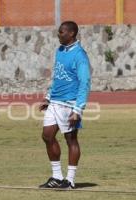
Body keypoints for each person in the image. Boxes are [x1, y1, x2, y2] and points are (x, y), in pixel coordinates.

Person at [38, 21, 91, 189]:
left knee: (71, 140)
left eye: (61, 32)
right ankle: (57, 177)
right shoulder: (60, 51)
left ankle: (70, 180)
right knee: (47, 136)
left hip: (70, 105)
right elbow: (58, 76)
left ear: (71, 34)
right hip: (55, 102)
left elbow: (85, 83)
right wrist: (48, 97)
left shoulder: (80, 55)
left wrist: (77, 110)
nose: (58, 34)